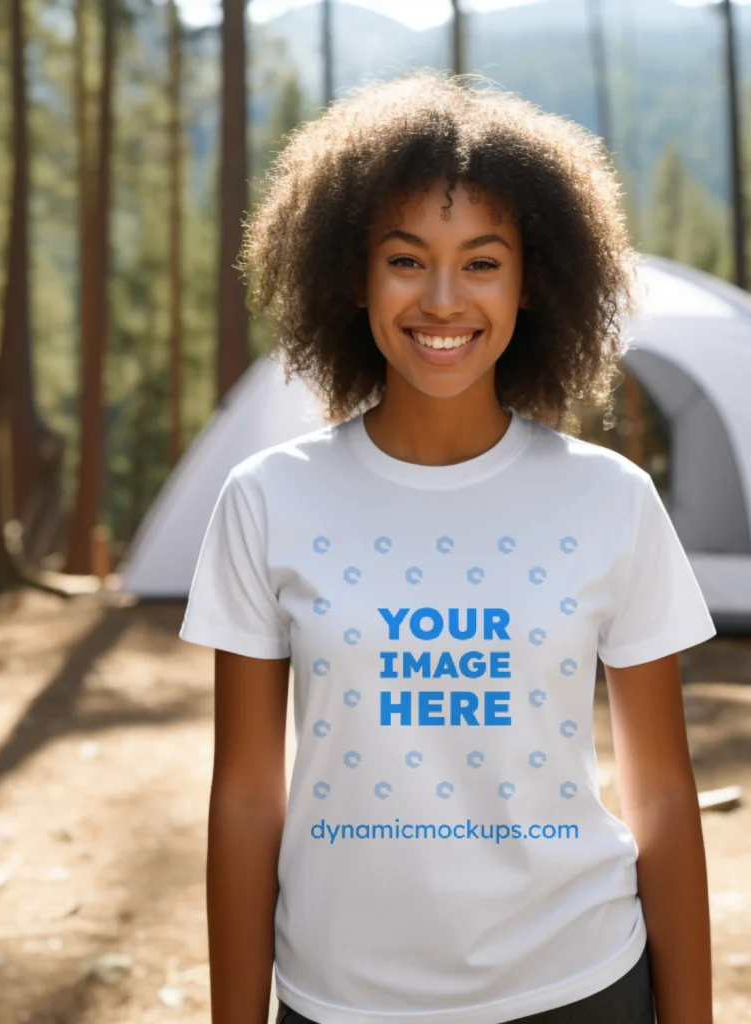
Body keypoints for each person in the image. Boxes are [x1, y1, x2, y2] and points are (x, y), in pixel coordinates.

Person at [179, 70, 717, 1024]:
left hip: (580, 983)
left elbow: (665, 795)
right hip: (341, 1000)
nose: (441, 299)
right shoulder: (267, 500)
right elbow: (245, 798)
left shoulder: (612, 500)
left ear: (529, 281)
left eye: (480, 261)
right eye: (403, 259)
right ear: (350, 273)